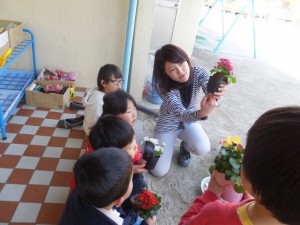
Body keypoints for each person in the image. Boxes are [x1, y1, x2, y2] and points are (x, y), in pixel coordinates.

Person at [179, 106, 300, 225]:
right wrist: (250, 197)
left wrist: (211, 192)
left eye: (246, 151)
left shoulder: (217, 214)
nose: (242, 150)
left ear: (254, 176)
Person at [151, 44, 224, 177]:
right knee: (157, 170)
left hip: (189, 123)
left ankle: (185, 147)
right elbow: (181, 114)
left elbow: (210, 91)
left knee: (202, 148)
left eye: (181, 63)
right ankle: (155, 143)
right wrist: (202, 113)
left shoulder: (199, 72)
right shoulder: (163, 87)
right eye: (172, 69)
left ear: (186, 59)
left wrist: (216, 95)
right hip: (167, 126)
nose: (181, 71)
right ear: (164, 72)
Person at [70, 115, 147, 213]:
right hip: (105, 206)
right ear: (113, 155)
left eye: (134, 140)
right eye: (131, 147)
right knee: (140, 184)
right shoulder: (98, 180)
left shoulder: (100, 155)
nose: (137, 146)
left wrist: (135, 165)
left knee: (140, 182)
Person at [59, 147, 156, 225]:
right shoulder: (114, 222)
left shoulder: (81, 187)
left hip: (82, 215)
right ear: (118, 201)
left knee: (139, 184)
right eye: (131, 179)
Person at [58, 64, 123, 136]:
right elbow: (93, 126)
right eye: (116, 81)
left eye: (120, 81)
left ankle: (82, 118)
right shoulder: (98, 103)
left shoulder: (105, 92)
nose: (119, 85)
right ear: (103, 83)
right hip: (94, 132)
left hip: (96, 119)